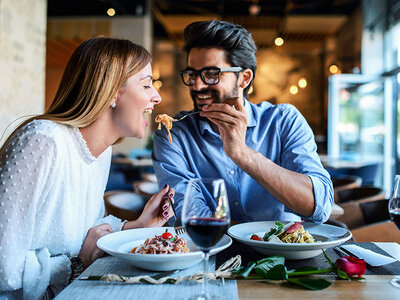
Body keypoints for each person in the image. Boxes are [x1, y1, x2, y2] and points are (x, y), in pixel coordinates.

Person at [0, 37, 174, 300]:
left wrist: (135, 226)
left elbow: (86, 230)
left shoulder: (101, 152)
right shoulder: (43, 141)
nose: (157, 96)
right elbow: (4, 266)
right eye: (147, 84)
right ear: (113, 90)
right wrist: (76, 264)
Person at [152, 20, 333, 224]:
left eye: (212, 74)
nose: (197, 85)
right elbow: (187, 215)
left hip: (285, 253)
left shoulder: (284, 121)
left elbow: (320, 207)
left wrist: (242, 154)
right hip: (210, 252)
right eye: (192, 74)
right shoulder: (172, 133)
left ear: (244, 78)